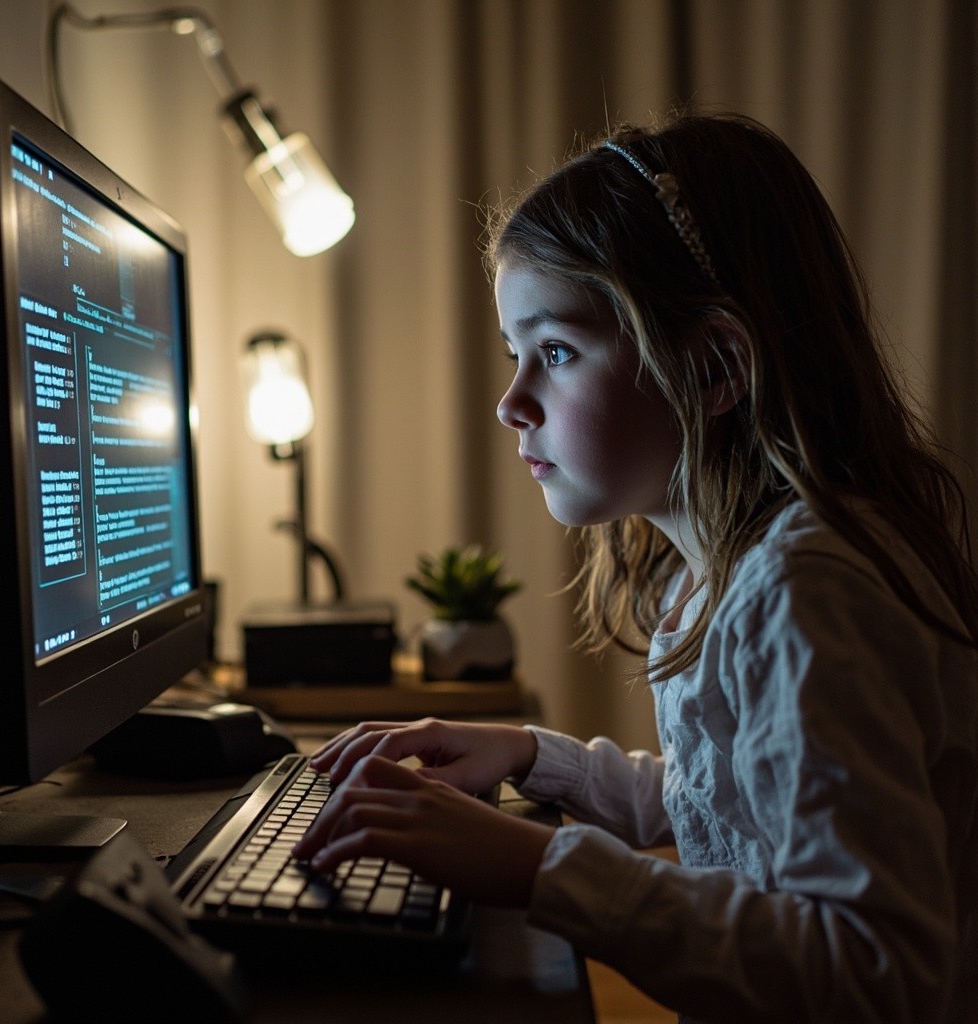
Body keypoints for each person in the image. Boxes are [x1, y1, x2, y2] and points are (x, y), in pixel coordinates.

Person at [293, 112, 978, 1023]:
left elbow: (874, 971)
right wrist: (538, 759)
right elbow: (736, 815)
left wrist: (536, 865)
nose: (510, 403)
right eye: (515, 355)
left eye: (558, 352)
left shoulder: (807, 591)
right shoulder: (726, 570)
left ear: (713, 369)